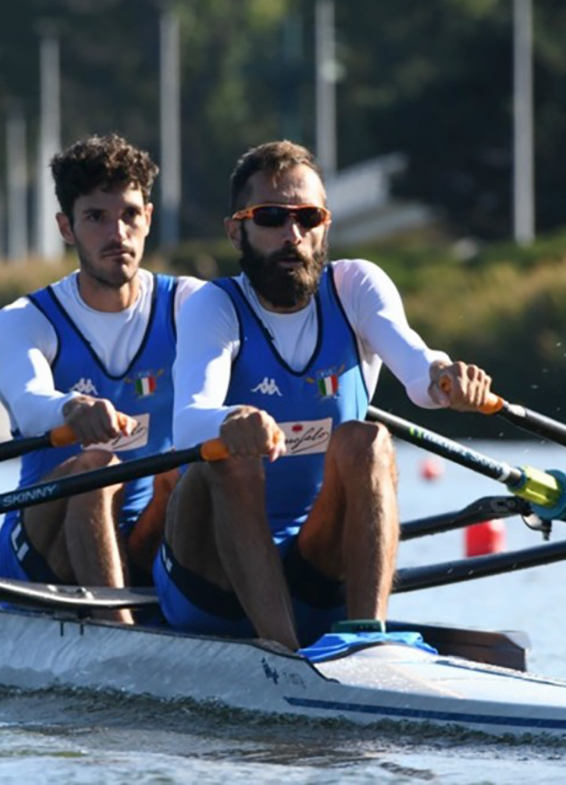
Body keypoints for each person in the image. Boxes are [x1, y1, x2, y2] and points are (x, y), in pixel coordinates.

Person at [155, 140, 495, 649]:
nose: (293, 234)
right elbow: (188, 421)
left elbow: (419, 369)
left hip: (316, 564)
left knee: (369, 441)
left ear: (325, 226)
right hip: (211, 582)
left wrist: (447, 378)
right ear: (236, 230)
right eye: (270, 217)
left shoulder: (356, 286)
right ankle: (283, 655)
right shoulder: (214, 306)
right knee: (229, 455)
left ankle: (365, 641)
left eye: (308, 217)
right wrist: (230, 422)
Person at [0, 134, 205, 623]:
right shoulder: (23, 320)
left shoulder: (191, 304)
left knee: (203, 467)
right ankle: (120, 638)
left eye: (129, 214)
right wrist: (71, 409)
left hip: (147, 538)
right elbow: (27, 399)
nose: (118, 233)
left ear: (148, 217)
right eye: (96, 217)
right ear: (66, 227)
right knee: (97, 462)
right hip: (43, 549)